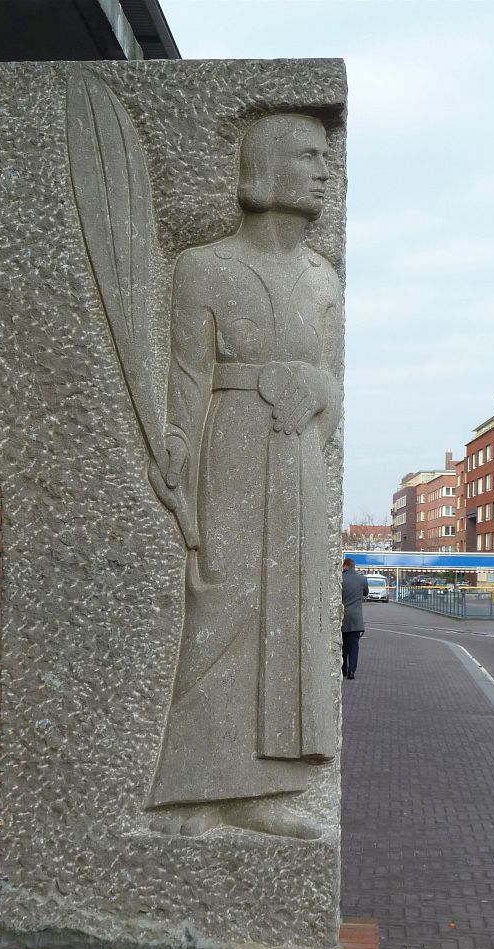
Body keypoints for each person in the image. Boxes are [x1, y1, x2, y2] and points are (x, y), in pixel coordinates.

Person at [146, 113, 342, 839]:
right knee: (223, 602)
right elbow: (187, 375)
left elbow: (332, 378)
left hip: (298, 452)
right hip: (229, 444)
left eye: (327, 157)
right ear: (264, 166)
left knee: (291, 610)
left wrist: (315, 394)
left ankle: (266, 788)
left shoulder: (323, 277)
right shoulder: (205, 266)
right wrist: (174, 444)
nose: (324, 171)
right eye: (307, 156)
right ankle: (193, 791)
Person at [341, 558, 368, 679]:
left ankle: (343, 670)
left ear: (345, 566)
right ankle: (352, 671)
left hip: (343, 617)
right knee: (354, 646)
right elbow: (365, 593)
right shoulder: (362, 579)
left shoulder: (341, 578)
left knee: (343, 646)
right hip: (356, 619)